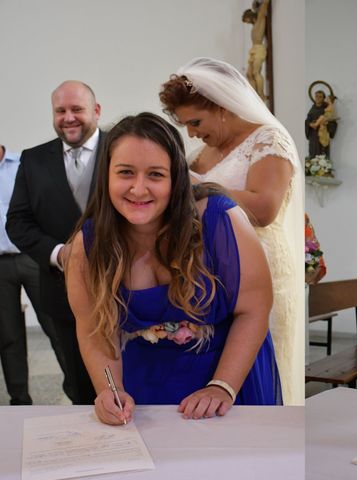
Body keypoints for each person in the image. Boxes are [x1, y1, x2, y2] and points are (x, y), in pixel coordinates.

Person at [65, 112, 281, 425]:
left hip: (228, 377)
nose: (139, 189)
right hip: (145, 384)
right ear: (106, 176)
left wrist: (222, 387)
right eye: (125, 172)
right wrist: (109, 389)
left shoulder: (220, 220)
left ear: (176, 178)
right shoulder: (88, 246)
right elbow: (93, 327)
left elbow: (255, 309)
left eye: (155, 175)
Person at [159, 57, 304, 406]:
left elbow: (264, 208)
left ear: (222, 107)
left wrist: (196, 184)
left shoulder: (268, 139)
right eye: (185, 126)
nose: (191, 133)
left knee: (265, 371)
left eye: (195, 122)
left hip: (264, 271)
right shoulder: (199, 154)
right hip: (215, 278)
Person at [7, 81, 102, 405]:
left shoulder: (121, 149)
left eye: (77, 109)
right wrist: (60, 254)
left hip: (126, 288)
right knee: (77, 380)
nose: (68, 117)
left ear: (96, 111)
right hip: (61, 289)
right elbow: (17, 222)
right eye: (60, 111)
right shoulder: (33, 160)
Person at [0, 145, 67, 405]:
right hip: (1, 265)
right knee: (8, 336)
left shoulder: (24, 164)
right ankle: (19, 400)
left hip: (32, 257)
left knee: (56, 327)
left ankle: (77, 390)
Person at [242, 0, 270, 101]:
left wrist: (262, 4)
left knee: (256, 73)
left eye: (247, 20)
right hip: (253, 49)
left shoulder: (260, 20)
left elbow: (265, 5)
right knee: (249, 74)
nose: (248, 23)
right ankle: (254, 96)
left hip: (259, 48)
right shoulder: (254, 25)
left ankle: (261, 95)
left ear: (249, 17)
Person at [305, 90, 338, 159]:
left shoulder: (326, 108)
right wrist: (310, 124)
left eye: (320, 97)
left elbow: (333, 121)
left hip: (323, 133)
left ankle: (323, 167)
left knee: (322, 151)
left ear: (323, 98)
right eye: (316, 96)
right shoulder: (312, 109)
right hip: (313, 135)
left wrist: (326, 124)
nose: (318, 98)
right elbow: (307, 121)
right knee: (313, 151)